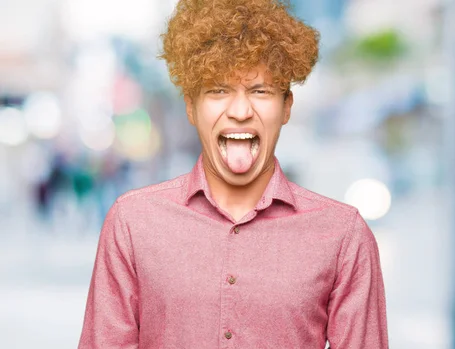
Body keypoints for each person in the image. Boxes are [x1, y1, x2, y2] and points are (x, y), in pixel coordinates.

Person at [78, 0, 389, 348]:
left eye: (260, 91)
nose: (240, 111)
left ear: (287, 107)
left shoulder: (344, 237)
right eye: (218, 90)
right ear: (191, 108)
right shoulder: (132, 223)